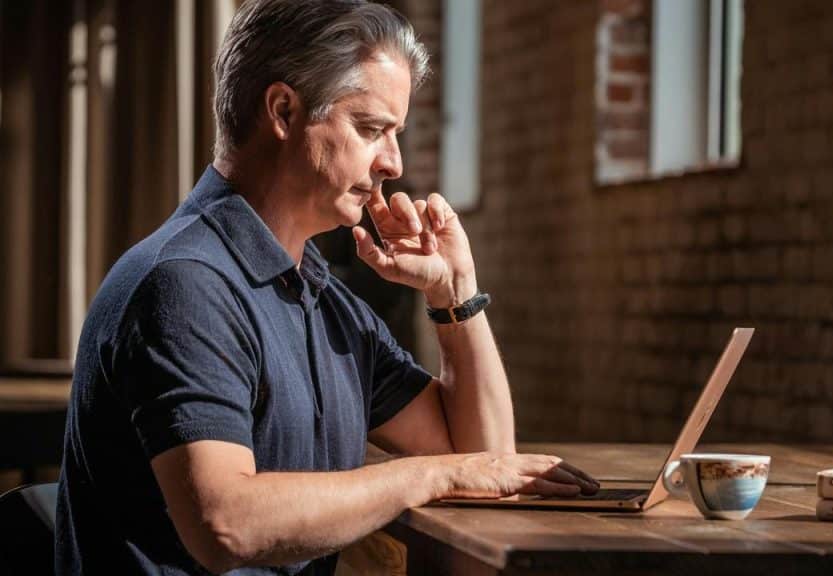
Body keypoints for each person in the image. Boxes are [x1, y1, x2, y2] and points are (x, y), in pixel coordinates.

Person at [55, 1, 598, 573]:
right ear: (284, 111)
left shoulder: (325, 299)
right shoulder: (184, 285)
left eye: (395, 134)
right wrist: (433, 476)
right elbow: (226, 524)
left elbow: (483, 459)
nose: (393, 163)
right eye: (371, 129)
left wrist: (455, 291)